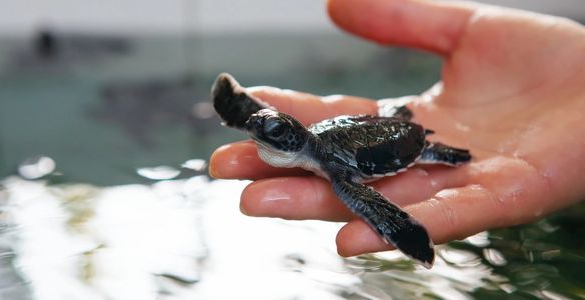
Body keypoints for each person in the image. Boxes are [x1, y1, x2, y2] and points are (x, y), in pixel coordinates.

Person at [209, 0, 585, 257]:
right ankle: (404, 120)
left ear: (291, 137)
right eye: (262, 125)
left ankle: (438, 151)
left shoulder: (339, 176)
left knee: (444, 159)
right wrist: (247, 113)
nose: (258, 126)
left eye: (269, 126)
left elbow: (369, 202)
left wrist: (405, 232)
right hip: (374, 126)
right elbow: (265, 123)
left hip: (406, 142)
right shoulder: (303, 143)